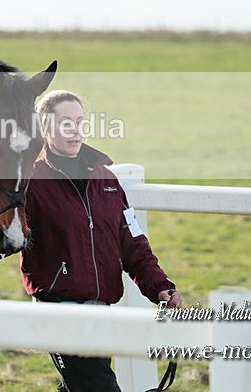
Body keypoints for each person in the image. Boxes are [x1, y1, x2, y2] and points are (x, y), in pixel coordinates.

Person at [21, 90, 183, 392]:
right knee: (99, 387)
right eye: (65, 123)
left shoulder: (107, 180)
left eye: (79, 122)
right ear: (45, 127)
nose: (75, 130)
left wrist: (160, 286)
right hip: (58, 309)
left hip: (101, 307)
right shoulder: (30, 181)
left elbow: (133, 243)